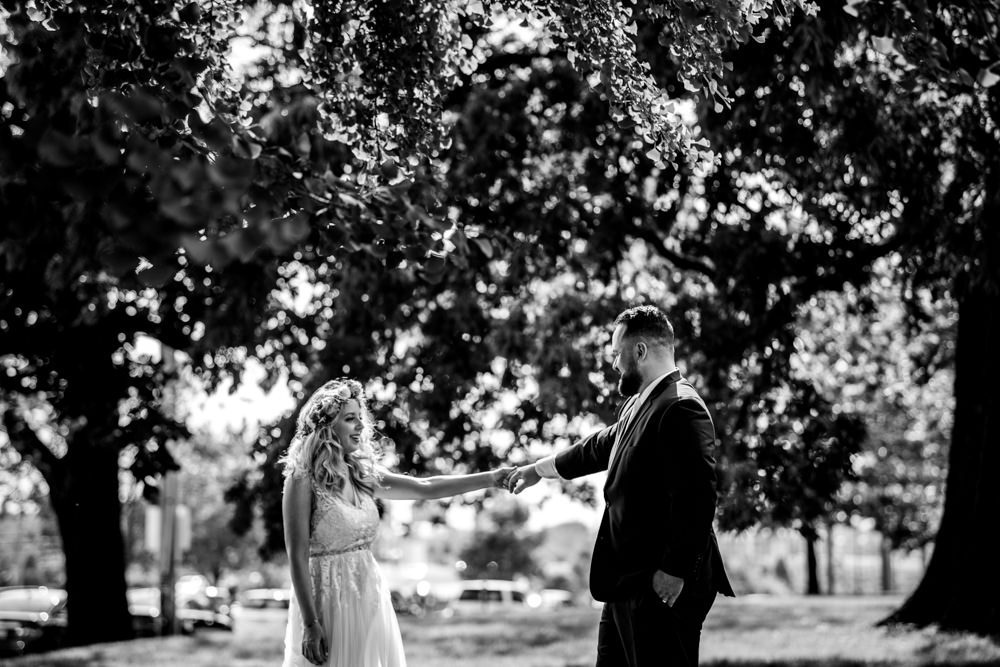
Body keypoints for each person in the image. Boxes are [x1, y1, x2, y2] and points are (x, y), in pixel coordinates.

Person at [506, 305, 735, 667]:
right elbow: (598, 446)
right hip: (627, 582)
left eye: (617, 354)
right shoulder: (640, 406)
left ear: (640, 351)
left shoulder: (681, 407)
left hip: (661, 586)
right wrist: (540, 469)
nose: (614, 364)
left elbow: (698, 497)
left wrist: (674, 571)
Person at [280, 377, 512, 667]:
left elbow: (425, 487)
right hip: (325, 601)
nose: (361, 427)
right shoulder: (301, 478)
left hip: (367, 595)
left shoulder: (361, 474)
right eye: (350, 419)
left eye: (360, 418)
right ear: (327, 427)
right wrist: (311, 623)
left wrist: (491, 478)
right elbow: (297, 554)